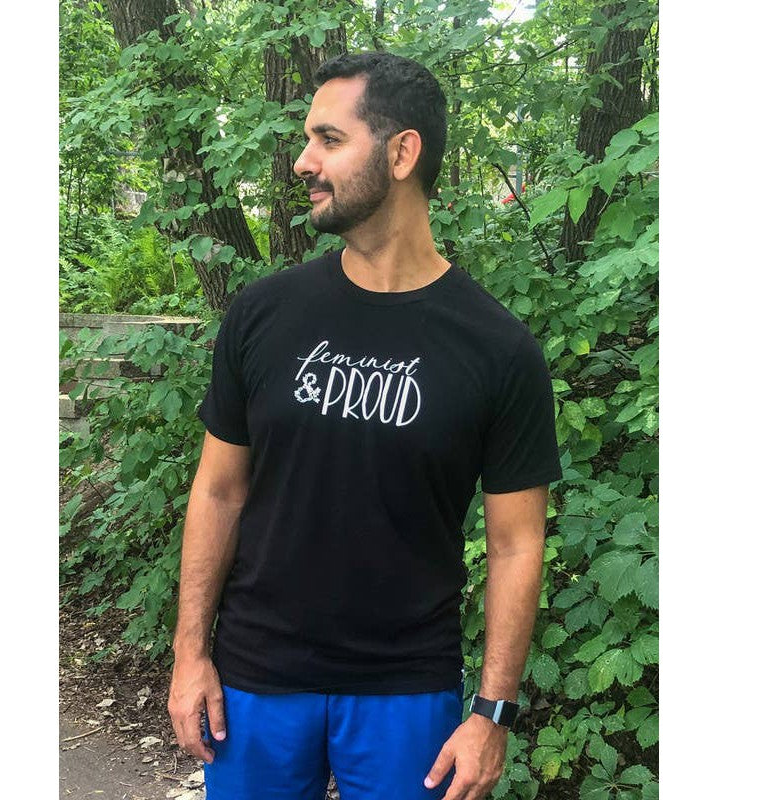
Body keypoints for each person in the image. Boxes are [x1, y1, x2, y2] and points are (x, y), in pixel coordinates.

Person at [168, 51, 562, 800]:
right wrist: (191, 654)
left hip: (406, 689)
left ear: (402, 152)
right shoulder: (263, 314)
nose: (303, 161)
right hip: (254, 679)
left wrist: (492, 713)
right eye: (307, 140)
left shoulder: (497, 349)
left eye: (329, 139)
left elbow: (517, 543)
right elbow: (218, 492)